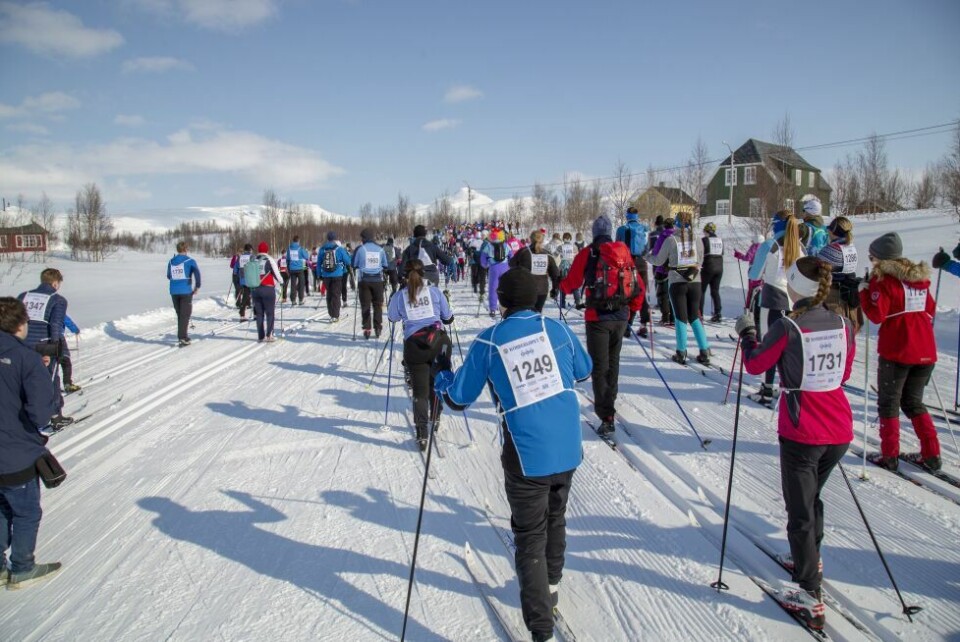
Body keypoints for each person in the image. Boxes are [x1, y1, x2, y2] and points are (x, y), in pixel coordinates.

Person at [434, 268, 592, 642]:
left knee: (529, 535)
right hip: (568, 446)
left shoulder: (490, 342)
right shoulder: (557, 329)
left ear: (501, 302)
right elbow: (584, 371)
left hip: (527, 455)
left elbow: (458, 398)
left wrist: (442, 375)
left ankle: (541, 629)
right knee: (556, 517)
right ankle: (551, 583)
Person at [735, 256, 855, 631]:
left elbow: (756, 366)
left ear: (795, 286)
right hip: (839, 429)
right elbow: (845, 371)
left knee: (800, 511)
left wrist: (748, 335)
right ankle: (810, 559)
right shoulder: (844, 323)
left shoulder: (789, 326)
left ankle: (809, 593)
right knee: (811, 498)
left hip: (803, 430)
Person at [859, 233, 941, 471]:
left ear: (881, 258)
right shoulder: (918, 279)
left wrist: (864, 293)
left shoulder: (883, 280)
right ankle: (932, 453)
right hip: (925, 351)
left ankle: (890, 455)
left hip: (897, 351)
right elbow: (932, 309)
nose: (871, 261)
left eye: (872, 256)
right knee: (914, 402)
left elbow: (877, 315)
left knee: (889, 403)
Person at [560, 215, 643, 435]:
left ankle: (606, 415)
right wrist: (632, 312)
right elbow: (638, 285)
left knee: (599, 367)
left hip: (597, 318)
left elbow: (572, 283)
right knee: (613, 363)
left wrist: (561, 286)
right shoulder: (623, 253)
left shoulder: (588, 253)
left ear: (594, 232)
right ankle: (609, 401)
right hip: (621, 317)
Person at [0, 297, 62, 590]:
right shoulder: (25, 357)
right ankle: (22, 566)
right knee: (26, 511)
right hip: (14, 451)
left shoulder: (24, 356)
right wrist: (40, 371)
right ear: (21, 324)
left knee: (1, 507)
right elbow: (40, 412)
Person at [387, 259, 453, 450]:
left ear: (404, 275)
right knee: (437, 383)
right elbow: (447, 317)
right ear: (423, 273)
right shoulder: (434, 291)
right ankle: (436, 415)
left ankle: (422, 432)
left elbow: (392, 317)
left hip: (414, 346)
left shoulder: (401, 295)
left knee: (420, 390)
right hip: (437, 342)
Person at [649, 211, 711, 366]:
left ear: (676, 223)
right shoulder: (698, 239)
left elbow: (658, 260)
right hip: (695, 281)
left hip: (677, 282)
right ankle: (704, 350)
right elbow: (701, 259)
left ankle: (681, 352)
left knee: (680, 317)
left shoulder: (671, 240)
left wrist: (646, 256)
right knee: (694, 317)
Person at [755, 214, 805, 401]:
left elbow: (754, 274)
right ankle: (786, 386)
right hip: (793, 301)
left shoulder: (770, 245)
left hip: (772, 299)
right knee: (787, 346)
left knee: (768, 343)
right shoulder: (800, 247)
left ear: (777, 225)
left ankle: (766, 388)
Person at [17, 269, 72, 429]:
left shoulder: (24, 296)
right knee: (50, 380)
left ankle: (25, 416)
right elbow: (55, 325)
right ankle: (56, 416)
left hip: (22, 343)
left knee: (25, 380)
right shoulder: (58, 299)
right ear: (55, 283)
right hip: (43, 344)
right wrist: (54, 347)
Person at [615, 207, 651, 337]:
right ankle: (643, 324)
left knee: (628, 294)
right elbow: (648, 248)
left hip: (628, 263)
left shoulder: (622, 229)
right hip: (642, 263)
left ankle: (627, 325)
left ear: (627, 216)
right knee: (642, 293)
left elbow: (617, 246)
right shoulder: (645, 229)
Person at [508, 230, 560, 313]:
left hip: (525, 289)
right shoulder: (548, 254)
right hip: (542, 290)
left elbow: (511, 264)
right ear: (542, 240)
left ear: (531, 239)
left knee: (525, 314)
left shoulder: (523, 252)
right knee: (537, 314)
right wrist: (555, 289)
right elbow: (555, 274)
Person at [353, 229, 389, 339]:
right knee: (378, 305)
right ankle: (378, 327)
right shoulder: (380, 249)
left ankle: (367, 328)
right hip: (377, 280)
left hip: (364, 281)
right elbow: (385, 264)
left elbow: (354, 264)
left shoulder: (360, 249)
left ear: (363, 238)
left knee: (365, 305)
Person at [166, 241, 201, 348]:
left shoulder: (171, 261)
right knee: (185, 314)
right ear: (186, 249)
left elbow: (168, 275)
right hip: (185, 291)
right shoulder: (190, 261)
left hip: (173, 290)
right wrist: (197, 286)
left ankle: (182, 335)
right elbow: (197, 274)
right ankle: (183, 337)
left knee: (180, 314)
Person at [248, 242, 284, 342]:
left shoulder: (253, 259)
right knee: (270, 312)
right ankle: (269, 335)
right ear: (267, 250)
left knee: (259, 314)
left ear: (259, 250)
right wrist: (282, 282)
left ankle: (260, 335)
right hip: (267, 289)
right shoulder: (269, 260)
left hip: (255, 289)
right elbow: (277, 274)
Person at [317, 232, 352, 322]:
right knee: (336, 295)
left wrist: (318, 275)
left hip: (326, 275)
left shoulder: (322, 249)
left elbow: (318, 263)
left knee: (329, 294)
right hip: (337, 275)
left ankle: (331, 313)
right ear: (336, 239)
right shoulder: (339, 249)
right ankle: (335, 315)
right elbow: (348, 261)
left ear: (327, 239)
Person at [649, 217, 675, 326]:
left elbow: (656, 251)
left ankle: (665, 317)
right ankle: (673, 318)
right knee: (673, 294)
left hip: (662, 268)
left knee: (663, 294)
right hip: (675, 268)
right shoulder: (676, 236)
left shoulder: (662, 236)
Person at [481, 229, 512, 318]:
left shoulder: (488, 246)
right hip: (505, 268)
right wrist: (509, 265)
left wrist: (485, 265)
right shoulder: (506, 245)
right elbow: (512, 256)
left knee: (493, 289)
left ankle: (493, 309)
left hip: (493, 268)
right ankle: (506, 308)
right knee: (505, 288)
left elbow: (483, 259)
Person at [699, 221, 724, 322]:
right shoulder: (720, 240)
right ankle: (718, 313)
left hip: (708, 267)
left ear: (707, 231)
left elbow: (700, 253)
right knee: (715, 291)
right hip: (719, 268)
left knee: (701, 291)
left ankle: (699, 313)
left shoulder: (705, 240)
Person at [735, 233, 765, 314]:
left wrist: (738, 255)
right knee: (761, 291)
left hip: (754, 272)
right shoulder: (765, 247)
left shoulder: (754, 247)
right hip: (763, 272)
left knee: (751, 292)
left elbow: (747, 257)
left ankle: (748, 310)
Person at [557, 232, 581, 309]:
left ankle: (562, 303)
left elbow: (554, 255)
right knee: (574, 285)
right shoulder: (574, 247)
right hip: (572, 268)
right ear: (570, 239)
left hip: (563, 268)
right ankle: (578, 302)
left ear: (563, 239)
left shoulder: (560, 247)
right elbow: (578, 257)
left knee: (563, 285)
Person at [234, 243, 255, 322]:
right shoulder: (251, 256)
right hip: (250, 279)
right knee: (250, 295)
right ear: (250, 249)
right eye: (252, 249)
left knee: (246, 295)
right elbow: (256, 266)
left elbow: (235, 269)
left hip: (242, 279)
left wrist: (237, 274)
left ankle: (243, 313)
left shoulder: (240, 258)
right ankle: (243, 312)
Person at [60, 314, 80, 393]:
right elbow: (66, 320)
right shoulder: (57, 308)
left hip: (42, 339)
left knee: (50, 364)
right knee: (65, 361)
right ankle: (67, 384)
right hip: (58, 338)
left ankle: (51, 386)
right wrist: (75, 329)